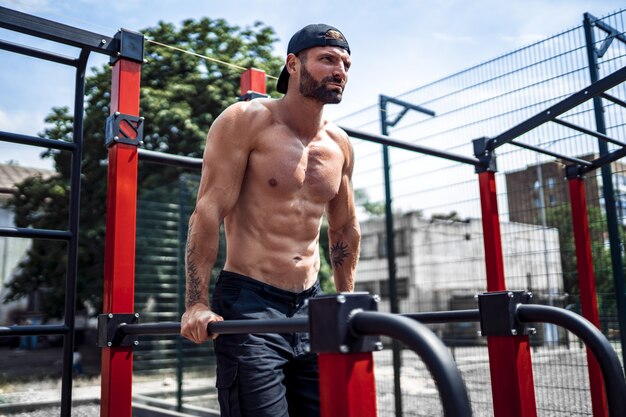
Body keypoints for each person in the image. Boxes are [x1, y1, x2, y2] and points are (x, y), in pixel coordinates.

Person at [180, 23, 360, 417]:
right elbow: (208, 212)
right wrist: (196, 303)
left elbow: (344, 227)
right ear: (293, 65)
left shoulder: (340, 144)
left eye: (346, 63)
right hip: (249, 300)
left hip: (311, 306)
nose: (340, 71)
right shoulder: (246, 120)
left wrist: (346, 298)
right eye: (327, 59)